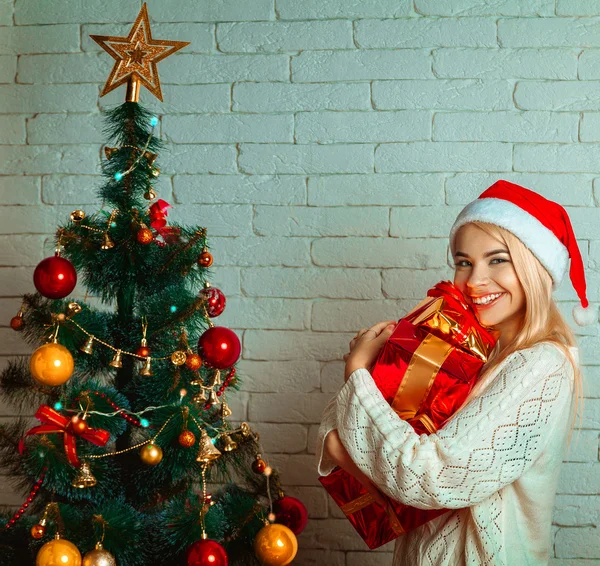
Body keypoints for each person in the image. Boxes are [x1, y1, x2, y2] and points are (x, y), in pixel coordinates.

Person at [316, 180, 593, 566]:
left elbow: (432, 477)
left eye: (497, 259)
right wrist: (354, 420)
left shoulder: (541, 365)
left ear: (535, 266)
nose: (474, 280)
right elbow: (342, 439)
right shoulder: (468, 350)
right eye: (464, 262)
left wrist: (358, 373)